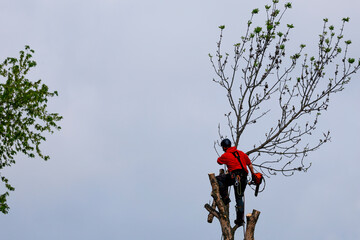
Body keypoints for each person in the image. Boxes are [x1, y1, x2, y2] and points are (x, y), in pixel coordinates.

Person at [216, 138, 255, 226]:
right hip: (244, 178)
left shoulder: (226, 155)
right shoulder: (241, 153)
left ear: (224, 147)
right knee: (239, 198)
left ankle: (225, 198)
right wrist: (253, 174)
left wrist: (224, 158)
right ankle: (240, 220)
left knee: (218, 179)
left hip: (235, 176)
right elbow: (249, 164)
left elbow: (218, 161)